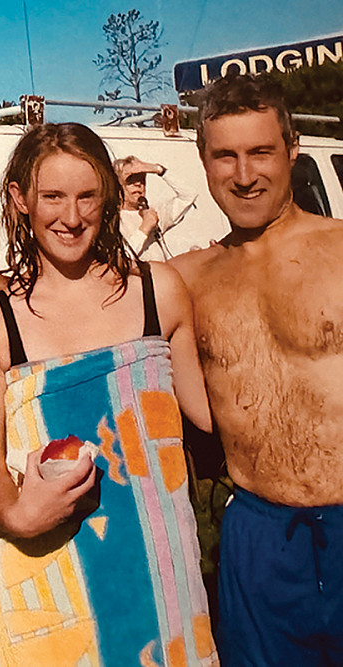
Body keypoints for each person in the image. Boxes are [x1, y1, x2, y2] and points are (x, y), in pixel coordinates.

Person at [0, 122, 217, 665]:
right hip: (47, 583)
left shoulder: (159, 291)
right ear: (19, 200)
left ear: (110, 198)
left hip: (161, 581)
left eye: (86, 196)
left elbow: (210, 417)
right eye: (51, 196)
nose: (70, 217)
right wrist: (18, 516)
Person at [169, 73, 343, 666]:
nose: (245, 175)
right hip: (258, 538)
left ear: (292, 150)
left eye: (261, 152)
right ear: (204, 160)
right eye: (226, 156)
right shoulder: (184, 281)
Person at [113, 155, 196, 261]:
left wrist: (158, 169)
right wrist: (145, 228)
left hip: (163, 274)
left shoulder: (153, 212)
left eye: (142, 179)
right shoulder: (113, 220)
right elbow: (122, 258)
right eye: (131, 180)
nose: (138, 184)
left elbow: (189, 195)